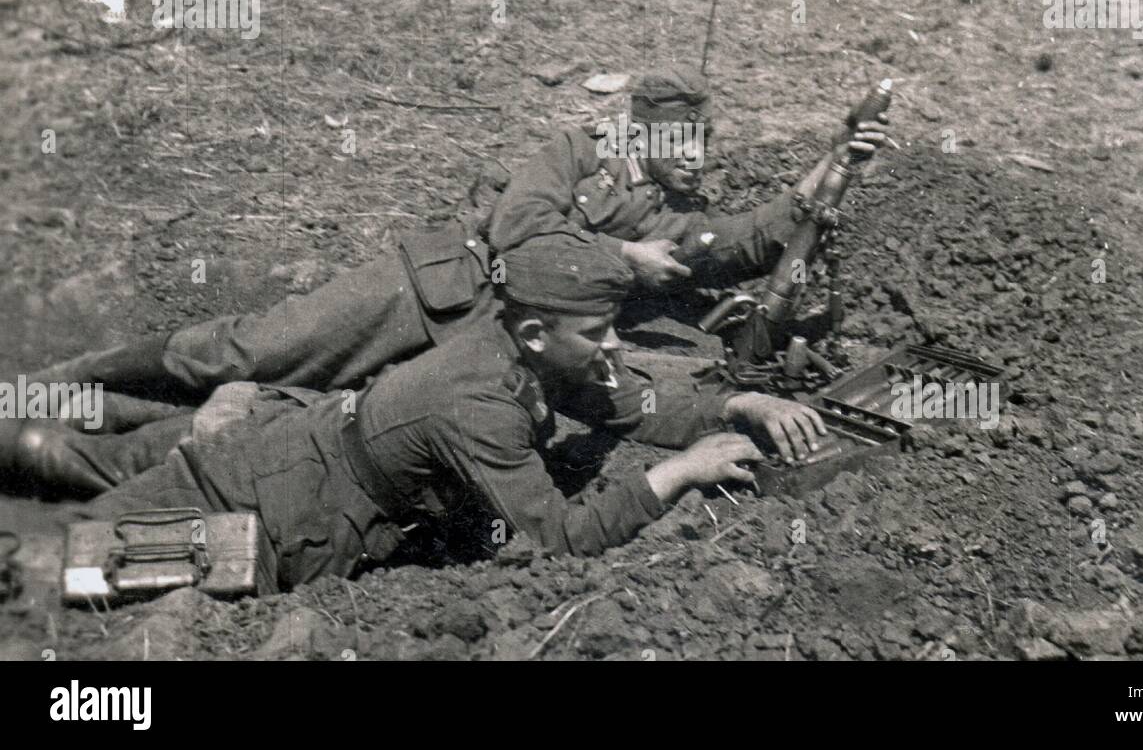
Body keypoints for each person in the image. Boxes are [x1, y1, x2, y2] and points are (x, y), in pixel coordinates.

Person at [14, 66, 889, 409]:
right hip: (429, 286)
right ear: (649, 135)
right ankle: (55, 387)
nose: (702, 162)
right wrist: (623, 259)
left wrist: (832, 161)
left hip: (485, 342)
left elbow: (744, 242)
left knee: (323, 416)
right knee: (250, 350)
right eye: (687, 145)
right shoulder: (576, 151)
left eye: (707, 145)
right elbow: (519, 232)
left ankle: (110, 436)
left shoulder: (670, 215)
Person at [14, 234, 826, 591]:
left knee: (73, 463)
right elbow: (557, 538)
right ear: (541, 332)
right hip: (260, 511)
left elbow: (637, 404)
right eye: (600, 332)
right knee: (57, 567)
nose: (616, 347)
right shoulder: (482, 405)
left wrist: (738, 401)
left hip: (276, 444)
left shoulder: (519, 347)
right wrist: (679, 473)